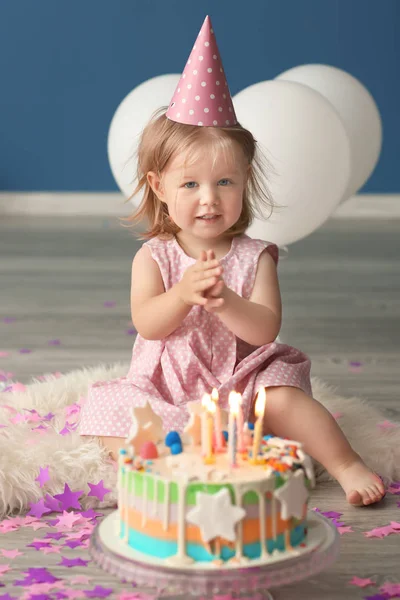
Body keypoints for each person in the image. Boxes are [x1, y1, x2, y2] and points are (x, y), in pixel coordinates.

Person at [79, 16, 385, 507]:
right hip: (172, 386)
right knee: (113, 410)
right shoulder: (153, 256)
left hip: (244, 384)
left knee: (288, 402)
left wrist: (225, 301)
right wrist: (182, 295)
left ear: (246, 183)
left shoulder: (254, 254)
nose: (209, 199)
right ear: (159, 186)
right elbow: (148, 323)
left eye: (226, 183)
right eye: (191, 184)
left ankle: (345, 462)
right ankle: (183, 459)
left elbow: (265, 329)